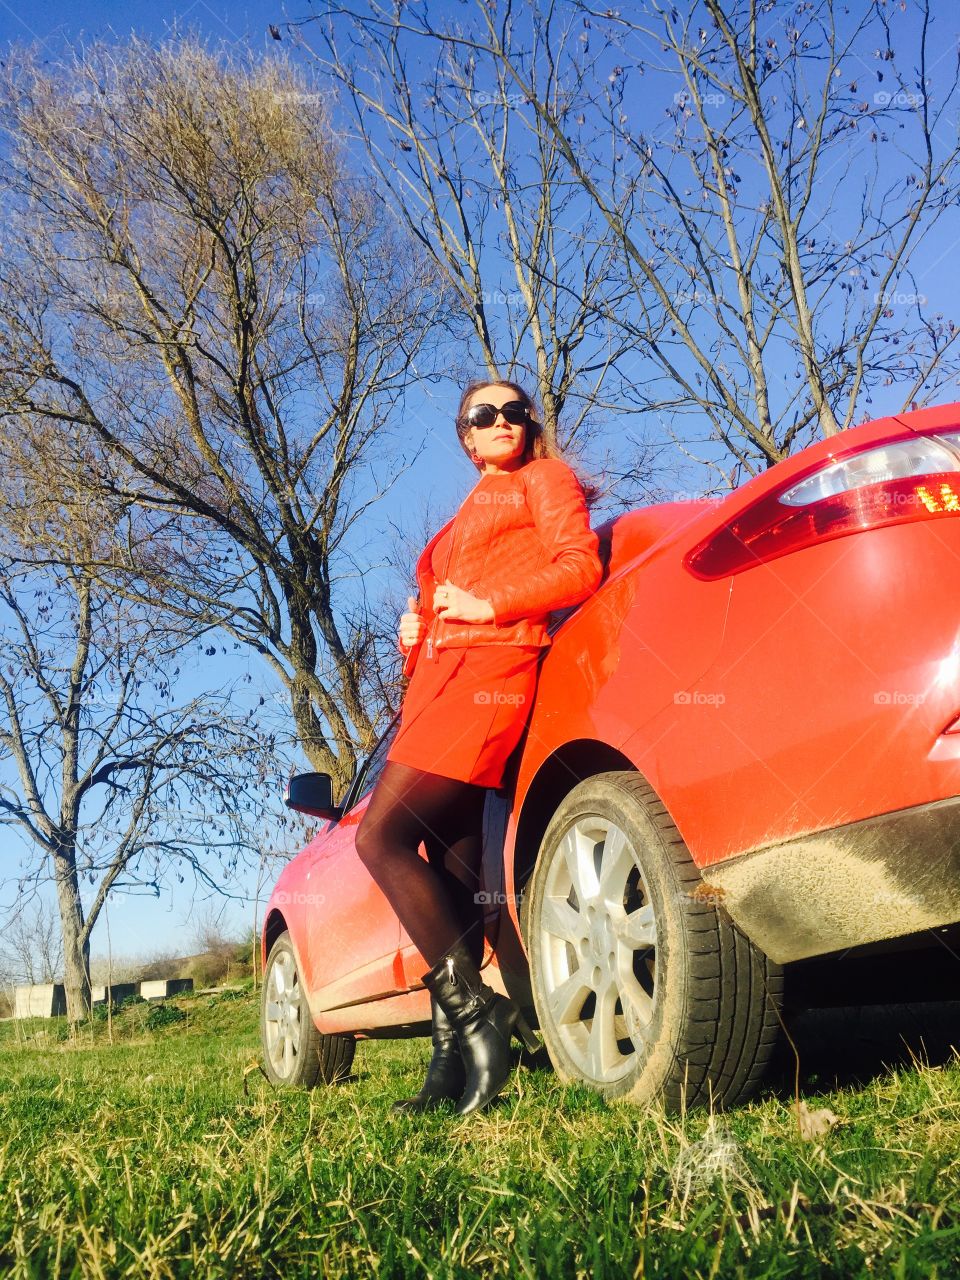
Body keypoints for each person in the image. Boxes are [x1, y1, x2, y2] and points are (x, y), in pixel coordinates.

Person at [355, 379, 603, 1116]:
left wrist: (487, 606)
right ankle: (450, 1065)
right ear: (466, 437)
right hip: (436, 684)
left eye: (513, 412)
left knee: (382, 838)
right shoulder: (466, 512)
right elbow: (444, 611)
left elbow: (579, 564)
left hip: (488, 678)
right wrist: (416, 637)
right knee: (451, 866)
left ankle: (480, 1015)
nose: (501, 422)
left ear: (529, 425)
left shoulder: (544, 480)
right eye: (482, 415)